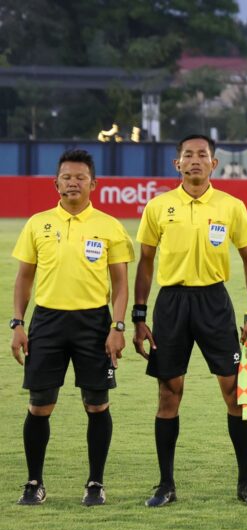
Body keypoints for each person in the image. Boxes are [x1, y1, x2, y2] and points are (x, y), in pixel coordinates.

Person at [133, 134, 247, 507]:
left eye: (202, 155)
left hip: (214, 303)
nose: (195, 160)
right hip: (171, 304)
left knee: (235, 394)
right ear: (177, 164)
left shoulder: (230, 206)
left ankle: (246, 483)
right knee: (168, 393)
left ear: (214, 164)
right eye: (188, 155)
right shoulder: (158, 207)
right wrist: (140, 316)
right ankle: (165, 485)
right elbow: (145, 262)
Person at [11, 149, 134, 506]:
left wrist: (118, 326)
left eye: (80, 178)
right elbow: (24, 278)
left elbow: (121, 284)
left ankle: (95, 483)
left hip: (94, 324)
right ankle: (34, 483)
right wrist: (18, 323)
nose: (73, 183)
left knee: (96, 404)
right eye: (66, 177)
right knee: (39, 405)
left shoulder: (109, 226)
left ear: (93, 184)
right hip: (47, 322)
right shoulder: (37, 223)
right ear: (56, 183)